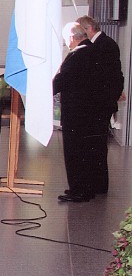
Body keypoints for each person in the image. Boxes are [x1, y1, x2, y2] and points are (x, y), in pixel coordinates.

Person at [78, 15, 125, 195]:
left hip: (100, 104)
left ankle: (98, 184)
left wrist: (110, 97)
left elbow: (111, 76)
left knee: (97, 145)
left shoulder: (105, 45)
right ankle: (95, 183)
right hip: (99, 102)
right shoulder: (102, 44)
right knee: (95, 144)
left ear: (88, 29)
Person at [53, 24, 99, 201]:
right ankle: (86, 188)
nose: (67, 43)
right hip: (88, 111)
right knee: (86, 151)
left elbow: (63, 79)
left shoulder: (78, 55)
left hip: (76, 112)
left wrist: (42, 92)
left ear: (72, 38)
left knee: (75, 151)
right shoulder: (93, 51)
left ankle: (79, 190)